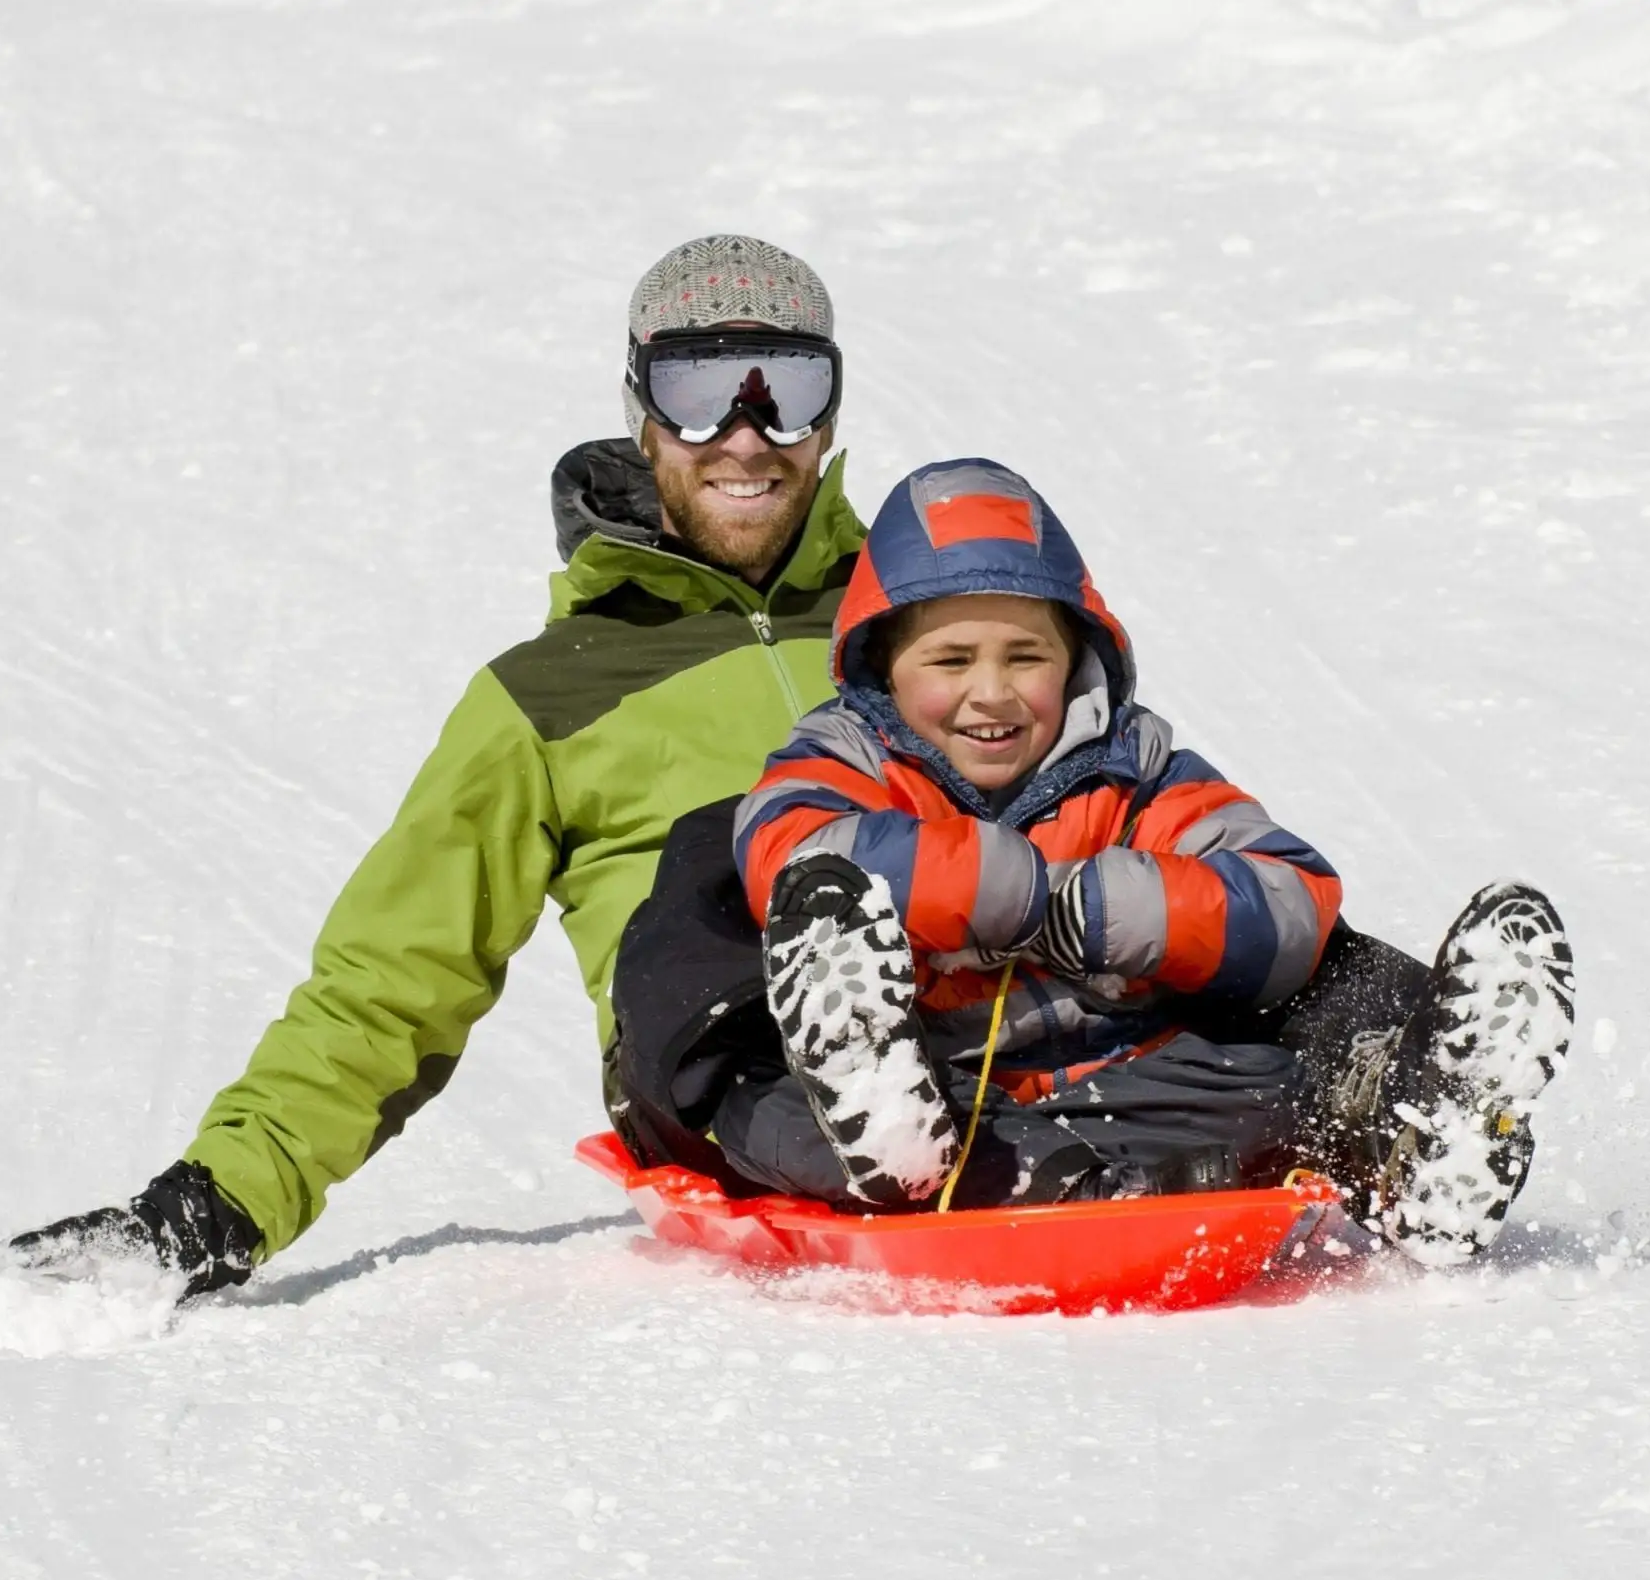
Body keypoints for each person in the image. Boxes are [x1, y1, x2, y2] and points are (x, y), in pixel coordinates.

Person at [7, 234, 872, 1295]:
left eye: (784, 388)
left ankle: (1057, 1109)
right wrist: (212, 1202)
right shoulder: (546, 699)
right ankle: (860, 1075)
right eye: (699, 389)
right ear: (643, 415)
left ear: (829, 415)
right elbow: (394, 980)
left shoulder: (926, 626)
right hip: (727, 1081)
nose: (746, 436)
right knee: (716, 863)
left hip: (981, 1039)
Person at [610, 459, 1577, 1265]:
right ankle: (898, 1140)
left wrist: (1113, 908)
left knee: (1292, 1066)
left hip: (1125, 1078)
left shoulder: (1135, 767)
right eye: (949, 662)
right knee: (777, 1113)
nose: (989, 694)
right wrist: (1003, 890)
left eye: (1023, 657)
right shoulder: (844, 760)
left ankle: (1411, 1135)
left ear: (1074, 660)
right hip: (933, 1081)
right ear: (881, 669)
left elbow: (1287, 896)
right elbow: (798, 850)